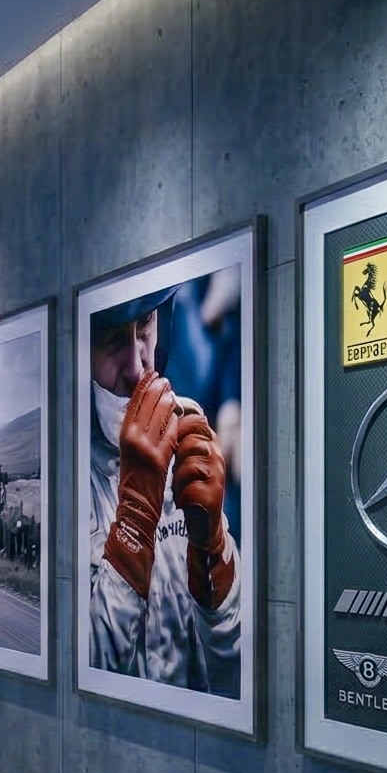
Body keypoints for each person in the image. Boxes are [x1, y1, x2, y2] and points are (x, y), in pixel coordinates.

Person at [85, 285, 241, 695]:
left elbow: (236, 673)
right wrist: (134, 523)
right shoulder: (63, 484)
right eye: (112, 340)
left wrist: (214, 554)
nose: (138, 368)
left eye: (145, 326)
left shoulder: (183, 442)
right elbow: (78, 679)